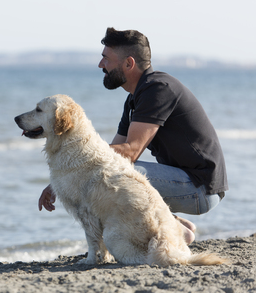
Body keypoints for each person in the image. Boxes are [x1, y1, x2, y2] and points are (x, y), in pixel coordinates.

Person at [38, 27, 228, 244]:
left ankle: (139, 237)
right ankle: (177, 228)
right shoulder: (134, 99)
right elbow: (112, 154)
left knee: (111, 176)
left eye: (105, 59)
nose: (101, 65)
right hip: (186, 183)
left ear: (128, 63)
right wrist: (61, 180)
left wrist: (69, 168)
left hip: (201, 189)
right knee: (107, 171)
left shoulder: (157, 89)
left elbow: (131, 151)